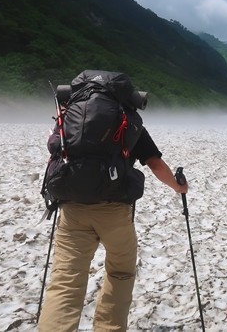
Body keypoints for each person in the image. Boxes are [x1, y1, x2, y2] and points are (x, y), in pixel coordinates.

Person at [38, 98, 188, 331]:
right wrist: (178, 188)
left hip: (73, 210)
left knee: (66, 280)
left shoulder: (71, 117)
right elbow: (155, 163)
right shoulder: (127, 121)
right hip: (114, 212)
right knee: (120, 273)